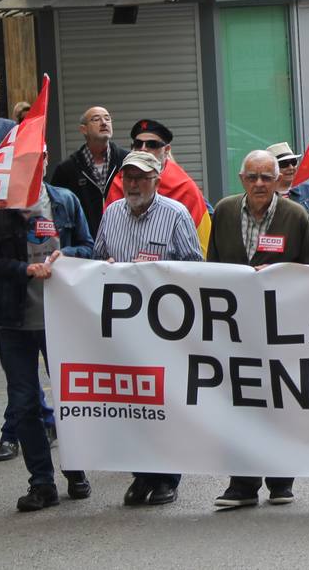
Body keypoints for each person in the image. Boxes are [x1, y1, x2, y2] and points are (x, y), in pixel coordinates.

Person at [0, 156, 94, 512]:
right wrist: (25, 269)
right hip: (12, 321)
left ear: (43, 163)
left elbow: (88, 247)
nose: (31, 167)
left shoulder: (64, 200)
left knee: (72, 401)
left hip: (61, 320)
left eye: (38, 160)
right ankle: (41, 482)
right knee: (25, 403)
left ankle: (76, 471)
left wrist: (63, 255)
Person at [207, 150, 309, 511]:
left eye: (266, 178)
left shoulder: (295, 216)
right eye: (252, 177)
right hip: (236, 327)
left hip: (281, 328)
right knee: (239, 405)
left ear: (277, 181)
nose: (259, 184)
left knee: (278, 404)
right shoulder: (224, 211)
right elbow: (213, 267)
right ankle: (242, 484)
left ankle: (280, 480)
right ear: (241, 179)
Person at [93, 150, 204, 507]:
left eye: (141, 177)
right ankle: (141, 476)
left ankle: (168, 477)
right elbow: (96, 260)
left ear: (157, 180)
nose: (134, 184)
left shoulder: (175, 215)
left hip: (165, 328)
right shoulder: (111, 215)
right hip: (125, 331)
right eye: (128, 177)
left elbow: (194, 268)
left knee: (165, 404)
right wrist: (104, 266)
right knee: (132, 404)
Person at [103, 119, 211, 253]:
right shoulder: (119, 182)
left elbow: (200, 249)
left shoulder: (185, 188)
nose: (143, 149)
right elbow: (105, 240)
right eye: (138, 144)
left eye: (152, 144)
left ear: (166, 150)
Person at [51, 106, 128, 240]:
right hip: (85, 245)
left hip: (123, 240)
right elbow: (57, 210)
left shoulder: (126, 161)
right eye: (96, 119)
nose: (104, 122)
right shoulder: (67, 169)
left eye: (107, 118)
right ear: (83, 129)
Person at [267, 142, 309, 246]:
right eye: (284, 164)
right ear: (271, 168)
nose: (291, 167)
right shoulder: (263, 196)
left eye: (294, 162)